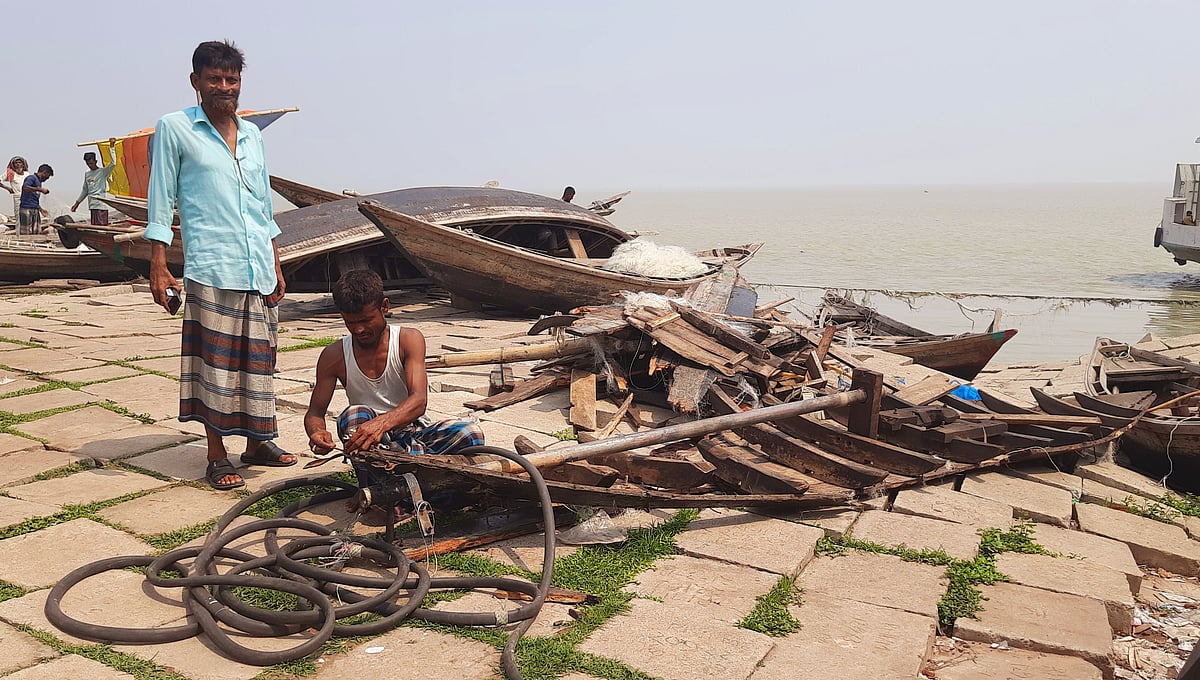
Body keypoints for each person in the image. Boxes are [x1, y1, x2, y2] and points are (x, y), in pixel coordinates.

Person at [144, 40, 294, 491]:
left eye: (232, 79)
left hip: (257, 268)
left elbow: (261, 205)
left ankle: (256, 442)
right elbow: (161, 198)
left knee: (259, 361)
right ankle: (216, 453)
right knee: (215, 364)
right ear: (196, 82)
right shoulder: (175, 128)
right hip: (211, 265)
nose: (224, 87)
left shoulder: (252, 135)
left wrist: (277, 261)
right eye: (215, 79)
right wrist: (158, 263)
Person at [305, 269, 485, 494]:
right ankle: (392, 490)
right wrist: (316, 432)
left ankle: (399, 488)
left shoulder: (408, 339)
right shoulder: (333, 355)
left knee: (470, 434)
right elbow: (315, 412)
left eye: (366, 320)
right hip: (370, 444)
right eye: (350, 322)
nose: (359, 329)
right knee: (353, 415)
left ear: (385, 307)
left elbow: (419, 401)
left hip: (412, 433)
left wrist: (381, 424)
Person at [71, 138, 119, 225]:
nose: (90, 166)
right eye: (88, 164)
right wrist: (77, 203)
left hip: (101, 206)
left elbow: (113, 163)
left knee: (102, 228)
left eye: (91, 163)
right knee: (95, 226)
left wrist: (112, 146)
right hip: (92, 205)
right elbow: (85, 190)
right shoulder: (87, 174)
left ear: (95, 161)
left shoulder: (102, 172)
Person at [19, 165, 53, 236]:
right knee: (26, 232)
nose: (47, 178)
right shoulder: (32, 178)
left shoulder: (39, 182)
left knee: (36, 231)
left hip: (35, 209)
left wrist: (41, 209)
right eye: (48, 176)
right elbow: (25, 187)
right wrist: (39, 189)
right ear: (44, 173)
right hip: (26, 208)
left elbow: (34, 197)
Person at [3, 156, 30, 226]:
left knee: (28, 215)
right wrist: (7, 188)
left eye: (20, 162)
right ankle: (19, 232)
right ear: (13, 165)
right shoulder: (11, 173)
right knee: (19, 215)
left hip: (27, 197)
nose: (18, 164)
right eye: (16, 163)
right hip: (18, 197)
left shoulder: (27, 174)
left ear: (23, 164)